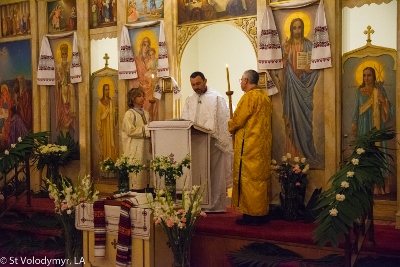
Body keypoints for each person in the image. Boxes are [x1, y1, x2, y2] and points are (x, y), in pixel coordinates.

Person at [181, 71, 233, 212]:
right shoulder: (189, 99)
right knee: (197, 173)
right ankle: (198, 204)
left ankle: (215, 205)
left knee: (215, 173)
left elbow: (224, 120)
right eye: (192, 84)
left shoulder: (216, 98)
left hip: (214, 143)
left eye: (198, 83)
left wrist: (222, 139)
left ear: (205, 81)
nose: (195, 87)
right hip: (196, 143)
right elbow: (184, 119)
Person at [228, 70, 272, 226]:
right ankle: (261, 212)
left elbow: (238, 120)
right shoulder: (265, 97)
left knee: (248, 180)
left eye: (241, 80)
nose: (241, 82)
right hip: (262, 147)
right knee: (259, 179)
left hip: (248, 147)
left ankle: (250, 215)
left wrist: (230, 125)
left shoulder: (249, 97)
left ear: (246, 81)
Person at [281, 17, 320, 166]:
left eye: (299, 27)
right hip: (291, 87)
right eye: (294, 28)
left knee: (305, 121)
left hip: (304, 87)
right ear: (291, 29)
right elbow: (282, 68)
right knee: (291, 118)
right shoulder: (287, 45)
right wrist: (284, 54)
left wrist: (310, 70)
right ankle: (294, 154)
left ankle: (307, 152)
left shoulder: (309, 45)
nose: (297, 30)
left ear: (303, 29)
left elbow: (316, 66)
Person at [351, 67, 393, 194]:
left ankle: (380, 186)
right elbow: (356, 109)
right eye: (364, 75)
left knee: (379, 154)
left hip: (377, 127)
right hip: (364, 126)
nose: (366, 78)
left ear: (374, 77)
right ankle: (367, 184)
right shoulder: (359, 92)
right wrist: (354, 122)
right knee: (365, 154)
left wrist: (383, 101)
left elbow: (389, 111)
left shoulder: (380, 90)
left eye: (369, 75)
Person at [121, 88, 153, 191]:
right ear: (133, 98)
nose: (143, 98)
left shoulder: (146, 113)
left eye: (143, 96)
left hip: (146, 146)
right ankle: (137, 190)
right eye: (139, 96)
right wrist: (146, 130)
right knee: (137, 172)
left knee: (147, 170)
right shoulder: (129, 114)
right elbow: (130, 130)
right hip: (135, 147)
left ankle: (148, 189)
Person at [130, 37, 157, 120]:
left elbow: (155, 72)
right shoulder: (136, 60)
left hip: (151, 88)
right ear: (141, 46)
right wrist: (140, 84)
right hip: (141, 89)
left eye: (148, 45)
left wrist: (152, 79)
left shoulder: (151, 59)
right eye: (144, 45)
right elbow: (133, 76)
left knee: (151, 109)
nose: (146, 47)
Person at [55, 43, 77, 137]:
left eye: (65, 54)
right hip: (61, 97)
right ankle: (64, 135)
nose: (64, 55)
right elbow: (56, 82)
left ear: (67, 55)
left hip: (69, 95)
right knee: (62, 115)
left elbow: (74, 80)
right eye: (63, 54)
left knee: (69, 115)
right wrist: (59, 84)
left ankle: (67, 136)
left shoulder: (70, 66)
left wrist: (70, 85)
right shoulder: (58, 67)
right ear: (61, 55)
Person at [96, 84, 117, 162]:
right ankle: (105, 164)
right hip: (104, 127)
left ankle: (112, 163)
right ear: (103, 91)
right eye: (105, 90)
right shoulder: (100, 103)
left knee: (111, 145)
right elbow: (98, 117)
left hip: (111, 128)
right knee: (104, 145)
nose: (107, 92)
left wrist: (116, 112)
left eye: (108, 89)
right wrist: (99, 129)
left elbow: (115, 114)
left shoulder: (111, 102)